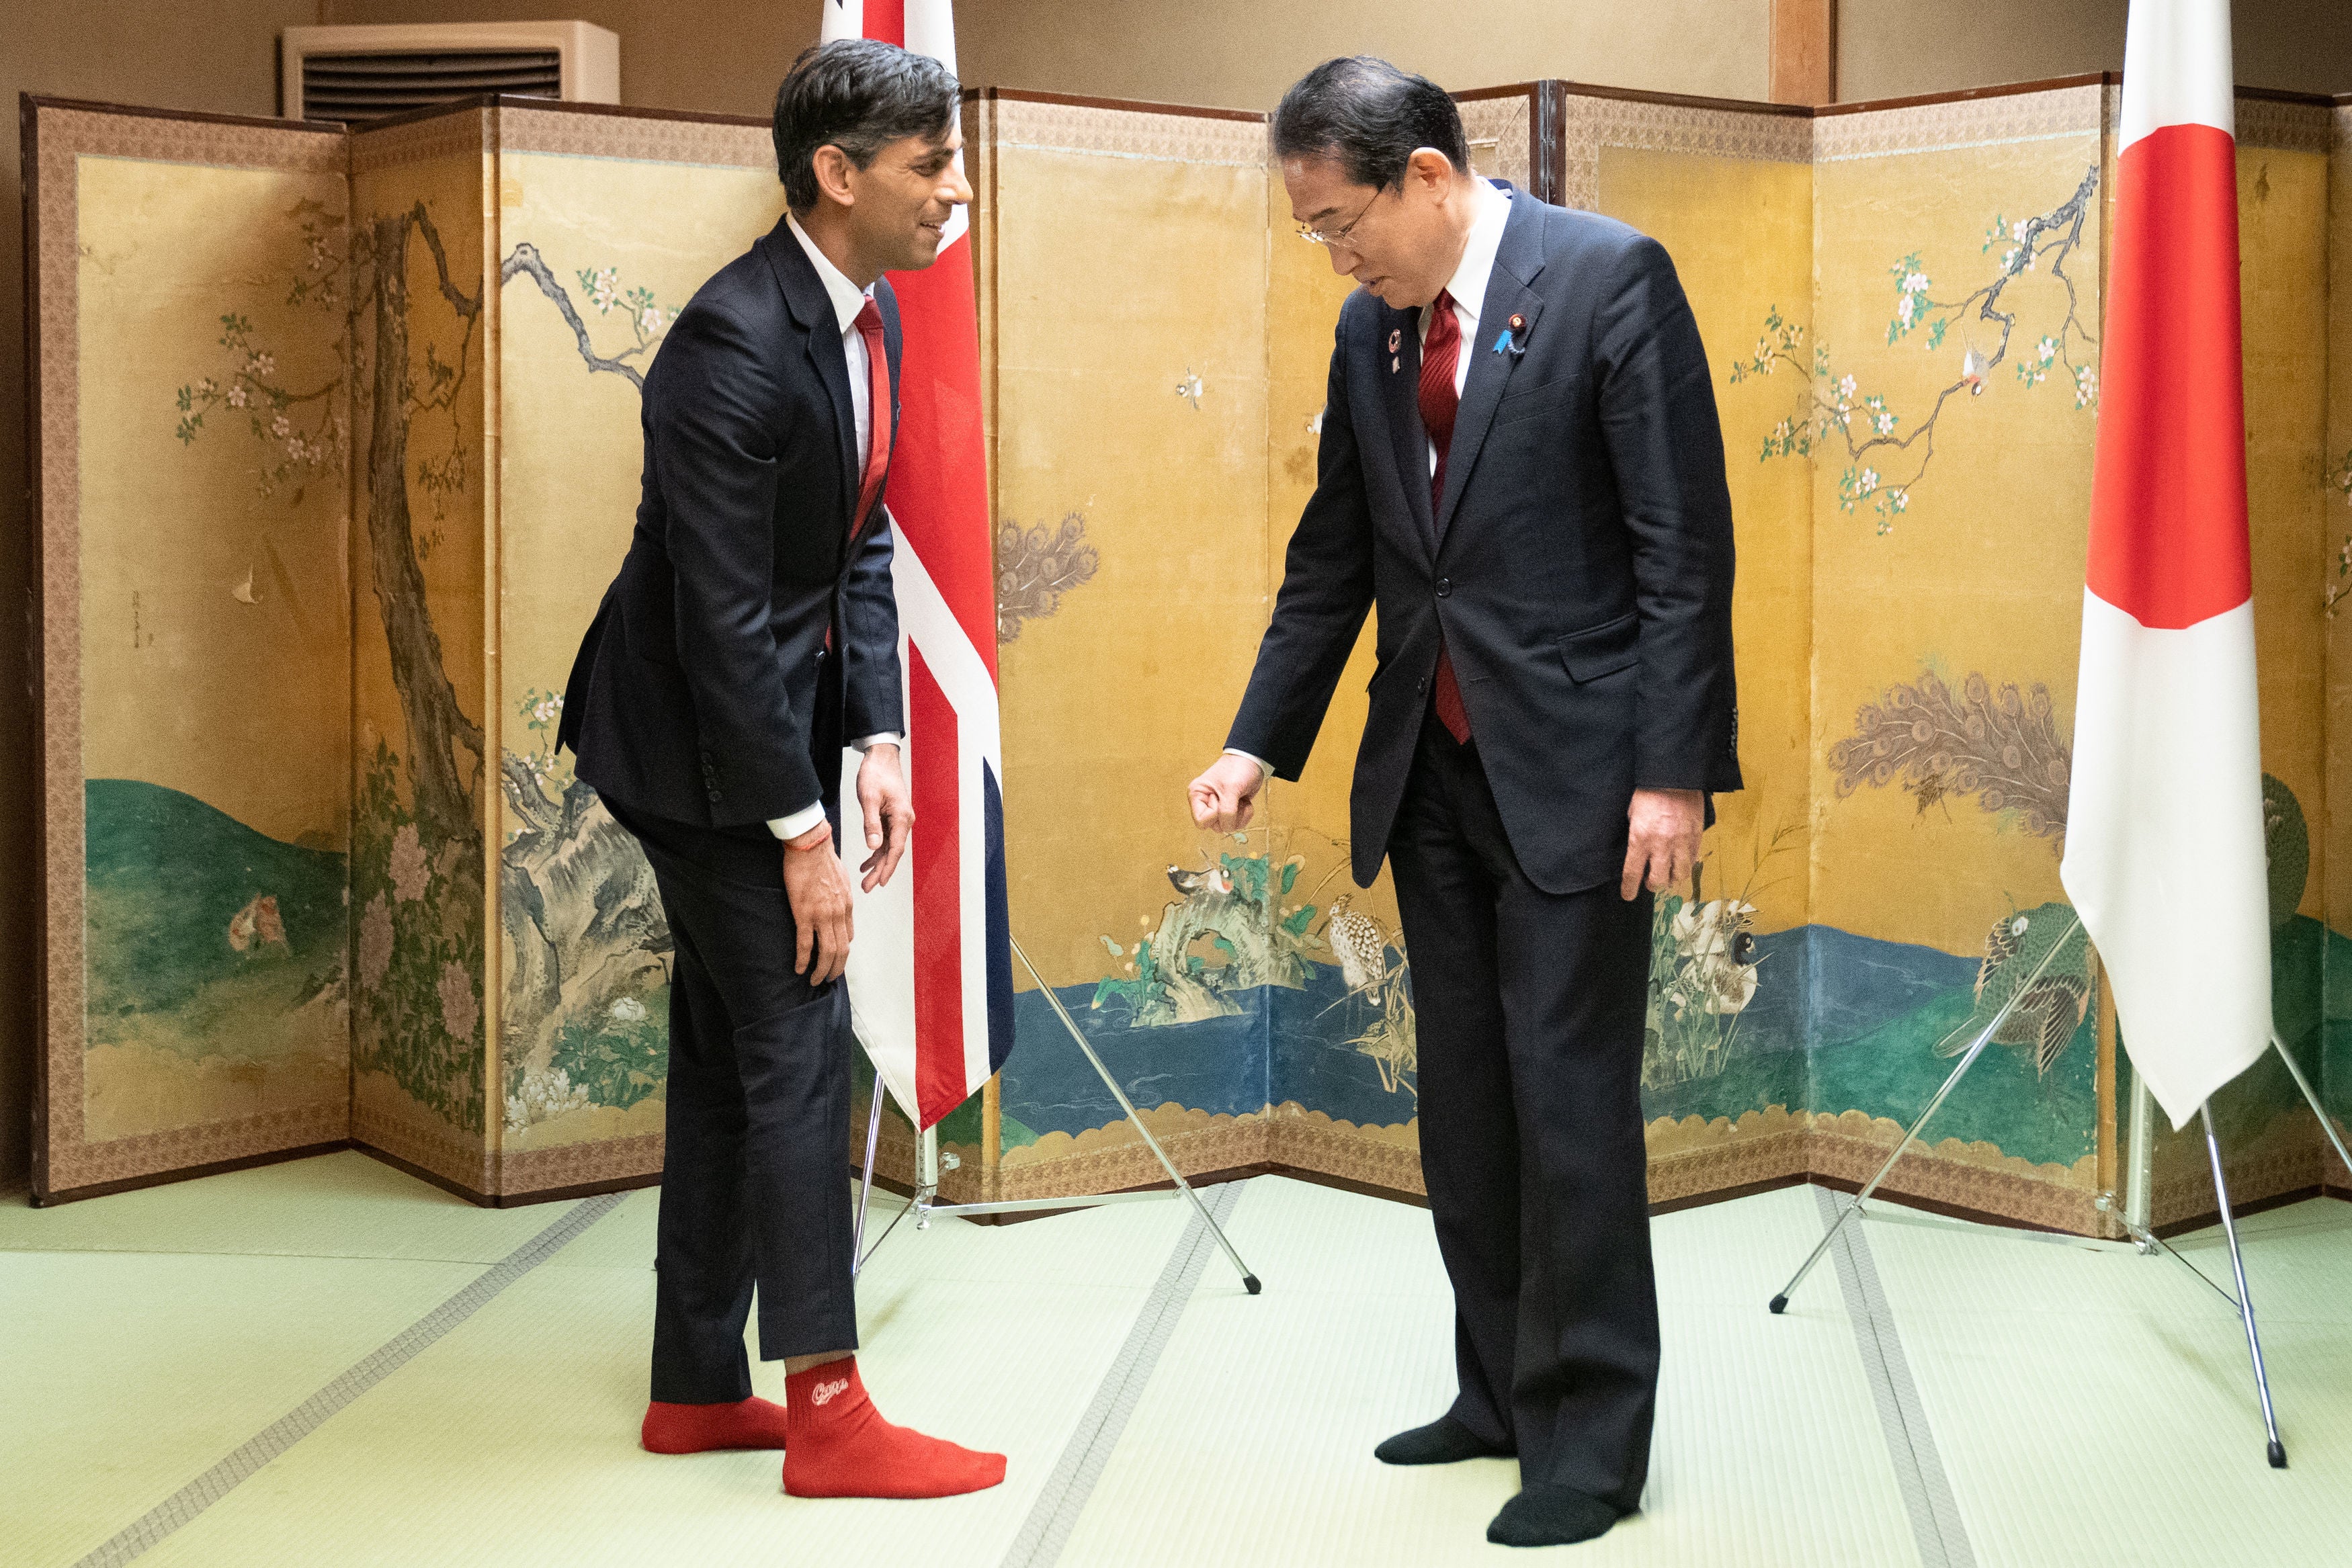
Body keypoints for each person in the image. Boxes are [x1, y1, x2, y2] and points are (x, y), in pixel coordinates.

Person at [1187, 57, 1740, 1549]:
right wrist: (1256, 743)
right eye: (1313, 232)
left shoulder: (1609, 279)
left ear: (1426, 176)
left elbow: (1681, 547)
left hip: (1581, 774)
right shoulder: (1371, 339)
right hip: (1428, 772)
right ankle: (1494, 1391)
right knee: (1466, 1110)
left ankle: (1589, 1440)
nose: (1333, 252)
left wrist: (1671, 773)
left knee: (1569, 1111)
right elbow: (1338, 561)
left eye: (1337, 220)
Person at [557, 38, 1003, 1501]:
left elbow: (857, 535)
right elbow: (719, 618)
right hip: (685, 740)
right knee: (799, 1043)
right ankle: (827, 1406)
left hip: (768, 723)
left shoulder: (859, 313)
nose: (955, 191)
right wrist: (801, 833)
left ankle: (696, 1386)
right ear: (838, 173)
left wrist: (875, 736)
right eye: (930, 165)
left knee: (725, 1045)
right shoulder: (729, 343)